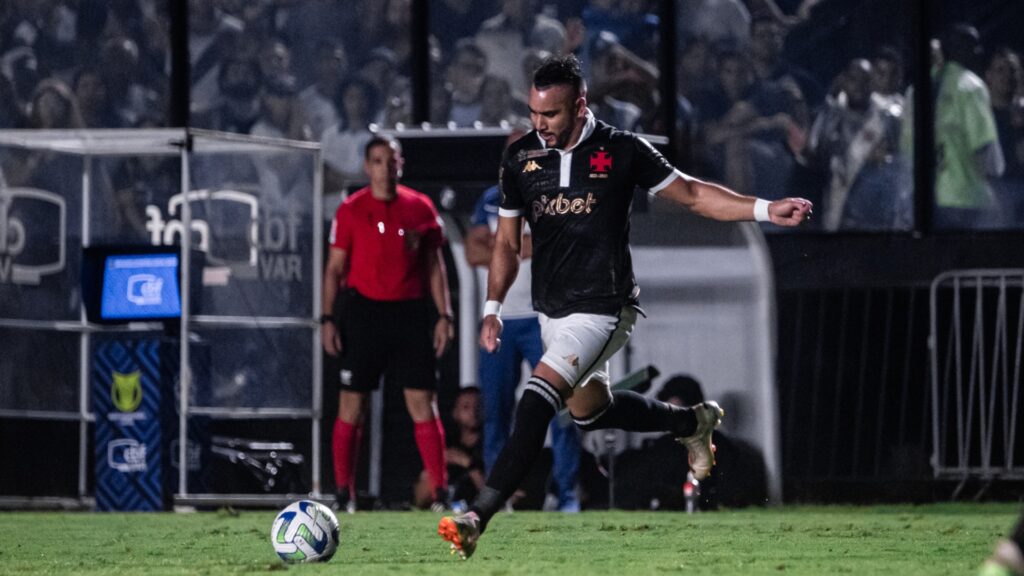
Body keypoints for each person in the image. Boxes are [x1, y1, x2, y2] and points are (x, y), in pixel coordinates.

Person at [438, 54, 812, 558]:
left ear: (580, 105)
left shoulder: (621, 149)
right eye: (533, 112)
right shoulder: (521, 158)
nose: (539, 124)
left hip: (605, 307)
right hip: (552, 311)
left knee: (535, 401)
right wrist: (492, 306)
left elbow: (693, 194)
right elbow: (505, 243)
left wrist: (766, 209)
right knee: (591, 413)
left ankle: (475, 517)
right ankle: (690, 423)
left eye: (550, 114)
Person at [322, 135, 455, 513]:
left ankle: (440, 494)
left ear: (401, 165)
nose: (385, 168)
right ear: (367, 167)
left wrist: (444, 315)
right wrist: (327, 318)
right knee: (352, 403)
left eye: (391, 161)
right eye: (378, 161)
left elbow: (434, 266)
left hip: (409, 313)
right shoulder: (351, 210)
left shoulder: (420, 207)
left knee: (422, 402)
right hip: (364, 313)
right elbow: (334, 269)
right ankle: (344, 493)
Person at [465, 148, 582, 514]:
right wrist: (518, 245)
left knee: (562, 404)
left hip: (544, 316)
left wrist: (503, 244)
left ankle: (566, 493)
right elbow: (472, 252)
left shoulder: (554, 194)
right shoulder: (490, 199)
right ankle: (497, 495)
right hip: (502, 317)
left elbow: (556, 243)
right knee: (496, 411)